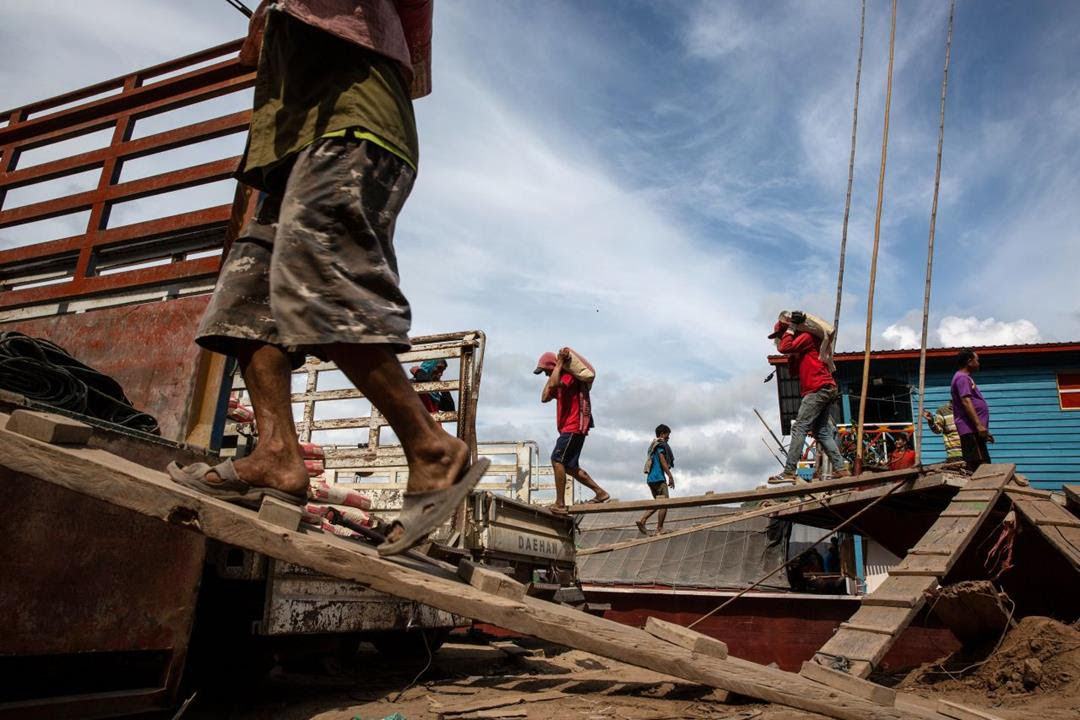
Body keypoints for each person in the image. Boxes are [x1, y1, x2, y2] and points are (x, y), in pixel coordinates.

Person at [166, 0, 489, 558]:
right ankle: (276, 455)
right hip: (290, 147)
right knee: (245, 301)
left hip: (353, 126)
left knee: (321, 281)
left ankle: (431, 447)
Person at [767, 314, 851, 483]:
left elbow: (783, 347)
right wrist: (794, 356)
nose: (778, 339)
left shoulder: (806, 337)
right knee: (820, 431)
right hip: (825, 388)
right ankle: (841, 469)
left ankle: (789, 471)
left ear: (788, 332)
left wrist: (790, 328)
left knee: (799, 427)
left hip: (817, 388)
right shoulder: (802, 345)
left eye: (779, 335)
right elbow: (793, 371)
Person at [535, 348, 610, 512]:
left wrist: (559, 364)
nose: (546, 375)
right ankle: (601, 493)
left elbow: (554, 383)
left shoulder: (569, 377)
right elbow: (544, 397)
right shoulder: (557, 376)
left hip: (574, 425)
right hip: (568, 428)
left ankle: (560, 503)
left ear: (553, 366)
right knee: (569, 466)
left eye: (546, 371)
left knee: (557, 459)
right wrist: (554, 371)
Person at [951, 349, 993, 472]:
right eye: (977, 360)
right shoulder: (961, 378)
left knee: (981, 461)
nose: (978, 363)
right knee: (980, 465)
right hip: (970, 429)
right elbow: (966, 401)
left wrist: (983, 429)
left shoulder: (966, 378)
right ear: (969, 361)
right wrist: (979, 425)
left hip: (974, 430)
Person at [636, 424, 675, 535]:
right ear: (662, 434)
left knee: (658, 503)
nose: (669, 437)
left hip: (651, 479)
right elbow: (662, 461)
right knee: (664, 503)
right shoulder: (660, 445)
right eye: (668, 435)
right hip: (658, 477)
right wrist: (670, 476)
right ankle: (659, 528)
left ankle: (642, 520)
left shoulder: (652, 445)